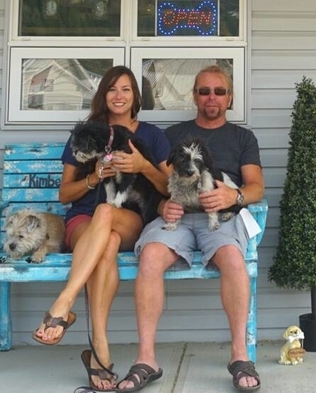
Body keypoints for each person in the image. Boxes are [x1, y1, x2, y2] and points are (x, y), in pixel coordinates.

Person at [122, 65, 264, 392]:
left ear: (229, 98)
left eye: (219, 91)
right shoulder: (172, 135)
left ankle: (239, 356)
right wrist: (159, 206)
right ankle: (146, 359)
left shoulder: (243, 137)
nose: (211, 97)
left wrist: (235, 195)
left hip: (221, 217)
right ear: (194, 96)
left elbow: (257, 187)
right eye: (204, 91)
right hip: (177, 214)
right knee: (151, 257)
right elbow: (152, 182)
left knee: (232, 259)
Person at [32, 66, 170, 393]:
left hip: (130, 218)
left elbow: (168, 187)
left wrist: (142, 166)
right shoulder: (86, 134)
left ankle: (63, 304)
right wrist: (93, 176)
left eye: (125, 89)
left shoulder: (151, 135)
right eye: (112, 89)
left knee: (107, 211)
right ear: (103, 95)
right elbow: (65, 194)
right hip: (83, 220)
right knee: (105, 243)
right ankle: (100, 350)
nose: (118, 96)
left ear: (136, 96)